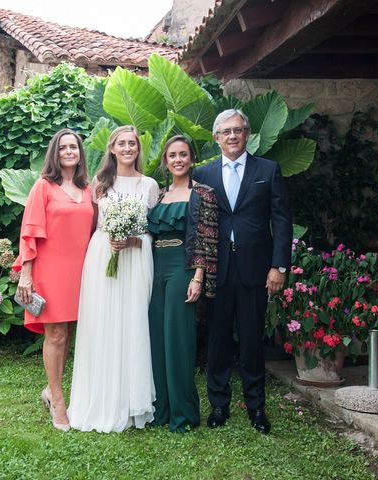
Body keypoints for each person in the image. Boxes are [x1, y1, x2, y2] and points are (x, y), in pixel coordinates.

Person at [193, 109, 293, 435]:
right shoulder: (202, 174)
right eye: (226, 132)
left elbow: (281, 221)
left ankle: (256, 406)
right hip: (217, 269)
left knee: (252, 341)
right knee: (218, 339)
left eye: (238, 130)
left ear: (247, 133)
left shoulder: (268, 170)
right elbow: (197, 224)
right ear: (216, 137)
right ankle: (219, 404)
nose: (233, 136)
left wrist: (278, 266)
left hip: (255, 269)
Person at [68, 125, 160, 433]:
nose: (127, 148)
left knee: (131, 323)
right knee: (102, 323)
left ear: (138, 148)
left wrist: (133, 241)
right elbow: (92, 224)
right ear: (112, 148)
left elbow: (152, 232)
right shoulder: (99, 183)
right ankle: (99, 397)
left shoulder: (149, 185)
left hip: (135, 258)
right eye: (121, 143)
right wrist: (111, 238)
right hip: (102, 256)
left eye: (132, 143)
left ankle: (130, 401)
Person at [13, 128, 94, 432]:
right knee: (56, 334)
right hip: (49, 269)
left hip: (80, 270)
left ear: (80, 153)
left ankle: (50, 389)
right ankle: (58, 400)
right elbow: (30, 231)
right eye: (63, 148)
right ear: (55, 153)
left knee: (68, 333)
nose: (69, 152)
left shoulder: (88, 190)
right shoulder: (43, 187)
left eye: (74, 147)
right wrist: (26, 274)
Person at [147, 136, 218, 433]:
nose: (178, 160)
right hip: (155, 269)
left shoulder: (203, 193)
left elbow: (206, 239)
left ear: (192, 159)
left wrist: (198, 278)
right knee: (156, 340)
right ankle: (161, 409)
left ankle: (184, 413)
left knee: (177, 340)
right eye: (172, 155)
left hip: (182, 268)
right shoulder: (159, 194)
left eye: (183, 155)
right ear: (166, 160)